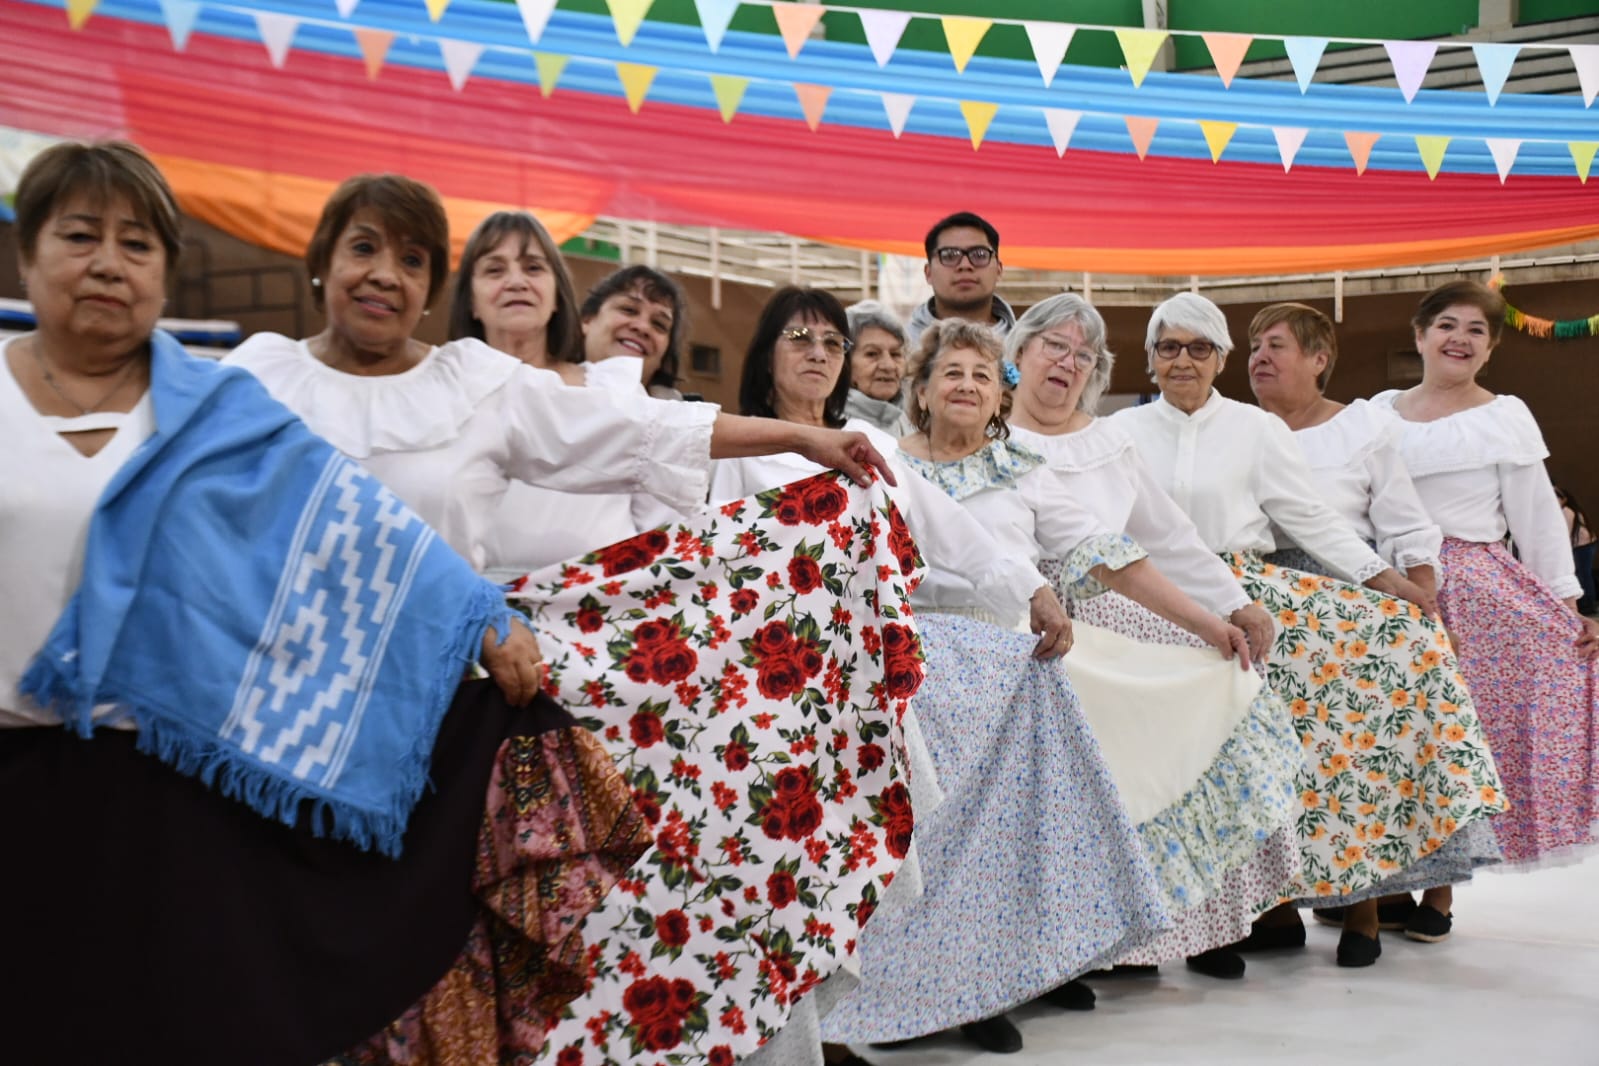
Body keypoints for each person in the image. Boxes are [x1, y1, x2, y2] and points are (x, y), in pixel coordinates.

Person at [0, 140, 561, 1066]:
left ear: (167, 273)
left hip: (169, 796)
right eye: (80, 234)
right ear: (29, 254)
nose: (108, 262)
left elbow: (357, 525)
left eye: (137, 244)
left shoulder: (211, 408)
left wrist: (479, 612)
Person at [715, 292, 1172, 1056]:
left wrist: (1028, 588)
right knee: (797, 862)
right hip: (768, 685)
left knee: (877, 852)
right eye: (798, 338)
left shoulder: (866, 444)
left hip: (863, 680)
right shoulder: (732, 449)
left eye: (832, 340)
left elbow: (943, 525)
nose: (818, 352)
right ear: (765, 353)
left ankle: (907, 1006)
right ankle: (802, 1031)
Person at [1112, 292, 1507, 967]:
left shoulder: (1252, 429)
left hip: (1239, 590)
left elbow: (1309, 517)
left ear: (1220, 359)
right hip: (1142, 595)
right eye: (1168, 346)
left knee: (1353, 671)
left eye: (1198, 347)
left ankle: (1268, 910)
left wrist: (1387, 583)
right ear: (1149, 359)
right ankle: (1142, 930)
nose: (1182, 360)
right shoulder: (1116, 433)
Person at [1006, 294, 1305, 980]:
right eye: (1052, 345)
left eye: (1083, 354)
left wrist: (1235, 604)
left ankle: (1198, 924)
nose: (1067, 362)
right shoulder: (991, 437)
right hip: (1039, 621)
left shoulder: (1109, 440)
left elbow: (1166, 536)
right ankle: (1087, 942)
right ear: (1015, 355)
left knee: (1227, 687)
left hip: (1126, 604)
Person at [1247, 301, 1504, 940]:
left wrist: (1415, 592)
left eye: (1276, 345)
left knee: (1351, 741)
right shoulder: (1236, 427)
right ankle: (1273, 901)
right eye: (1253, 346)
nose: (1259, 358)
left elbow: (1406, 522)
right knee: (1259, 748)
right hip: (1258, 594)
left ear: (1319, 358)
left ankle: (1366, 899)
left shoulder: (1361, 428)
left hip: (1351, 589)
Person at [1374, 280, 1599, 881]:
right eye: (1447, 325)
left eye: (1477, 330)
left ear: (1492, 348)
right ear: (1420, 336)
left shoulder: (1505, 416)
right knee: (1397, 734)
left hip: (1475, 588)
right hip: (1384, 581)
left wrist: (1569, 604)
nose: (1461, 339)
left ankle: (1445, 890)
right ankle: (1387, 885)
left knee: (1465, 735)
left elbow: (1538, 520)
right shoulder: (1375, 412)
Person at [448, 214, 682, 576]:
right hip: (475, 608)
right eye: (495, 270)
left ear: (557, 296)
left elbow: (661, 530)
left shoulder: (614, 388)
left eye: (533, 268)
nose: (516, 282)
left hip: (600, 609)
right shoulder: (443, 393)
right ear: (471, 303)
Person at [904, 211, 1016, 346]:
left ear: (999, 270)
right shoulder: (899, 349)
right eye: (949, 256)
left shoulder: (1026, 348)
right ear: (928, 273)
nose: (965, 265)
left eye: (979, 255)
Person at [579, 263, 689, 400]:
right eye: (629, 310)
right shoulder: (548, 392)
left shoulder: (683, 417)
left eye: (659, 324)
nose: (643, 327)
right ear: (587, 320)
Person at [842, 299, 911, 435]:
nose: (888, 366)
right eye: (872, 354)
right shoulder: (828, 426)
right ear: (844, 362)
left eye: (895, 354)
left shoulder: (918, 423)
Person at [1556, 486, 1598, 614]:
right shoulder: (1566, 510)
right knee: (1583, 574)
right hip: (1583, 545)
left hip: (1584, 545)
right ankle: (1587, 603)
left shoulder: (1567, 511)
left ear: (1564, 499)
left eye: (1556, 497)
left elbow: (1565, 535)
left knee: (1584, 575)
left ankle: (1588, 605)